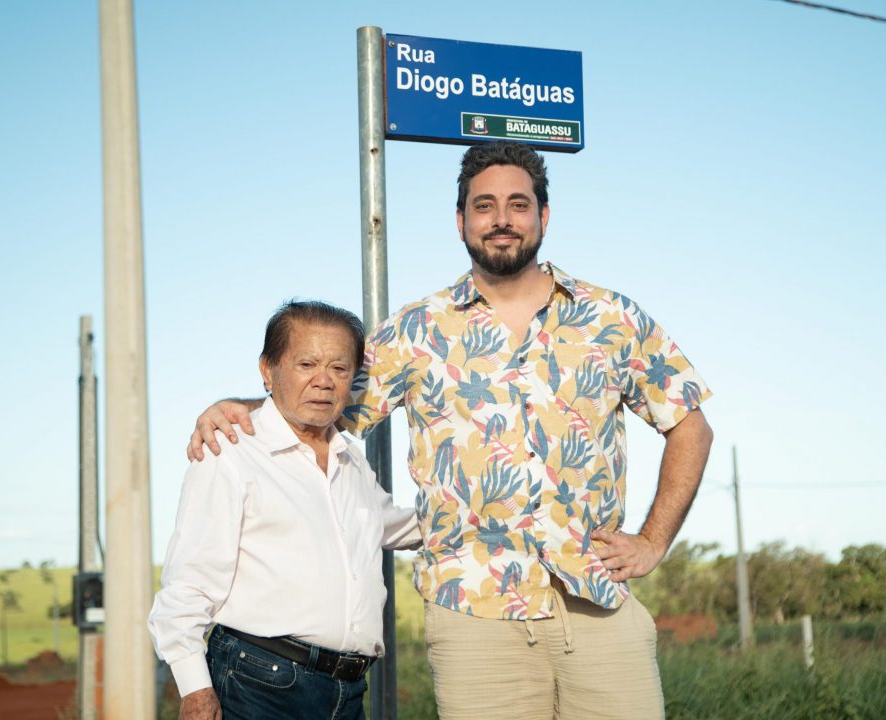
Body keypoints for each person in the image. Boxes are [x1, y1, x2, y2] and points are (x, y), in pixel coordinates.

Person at [187, 141, 714, 720]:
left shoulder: (613, 318)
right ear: (462, 221)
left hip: (596, 605)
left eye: (518, 204)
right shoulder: (417, 330)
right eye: (485, 206)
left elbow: (690, 425)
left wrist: (652, 540)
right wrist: (236, 403)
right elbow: (318, 399)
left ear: (544, 215)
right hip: (474, 620)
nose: (503, 219)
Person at [149, 300, 420, 720]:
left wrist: (490, 512)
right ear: (268, 370)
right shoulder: (231, 452)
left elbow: (399, 526)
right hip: (260, 686)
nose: (324, 382)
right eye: (306, 364)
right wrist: (194, 689)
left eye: (339, 368)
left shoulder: (351, 462)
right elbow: (188, 583)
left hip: (347, 692)